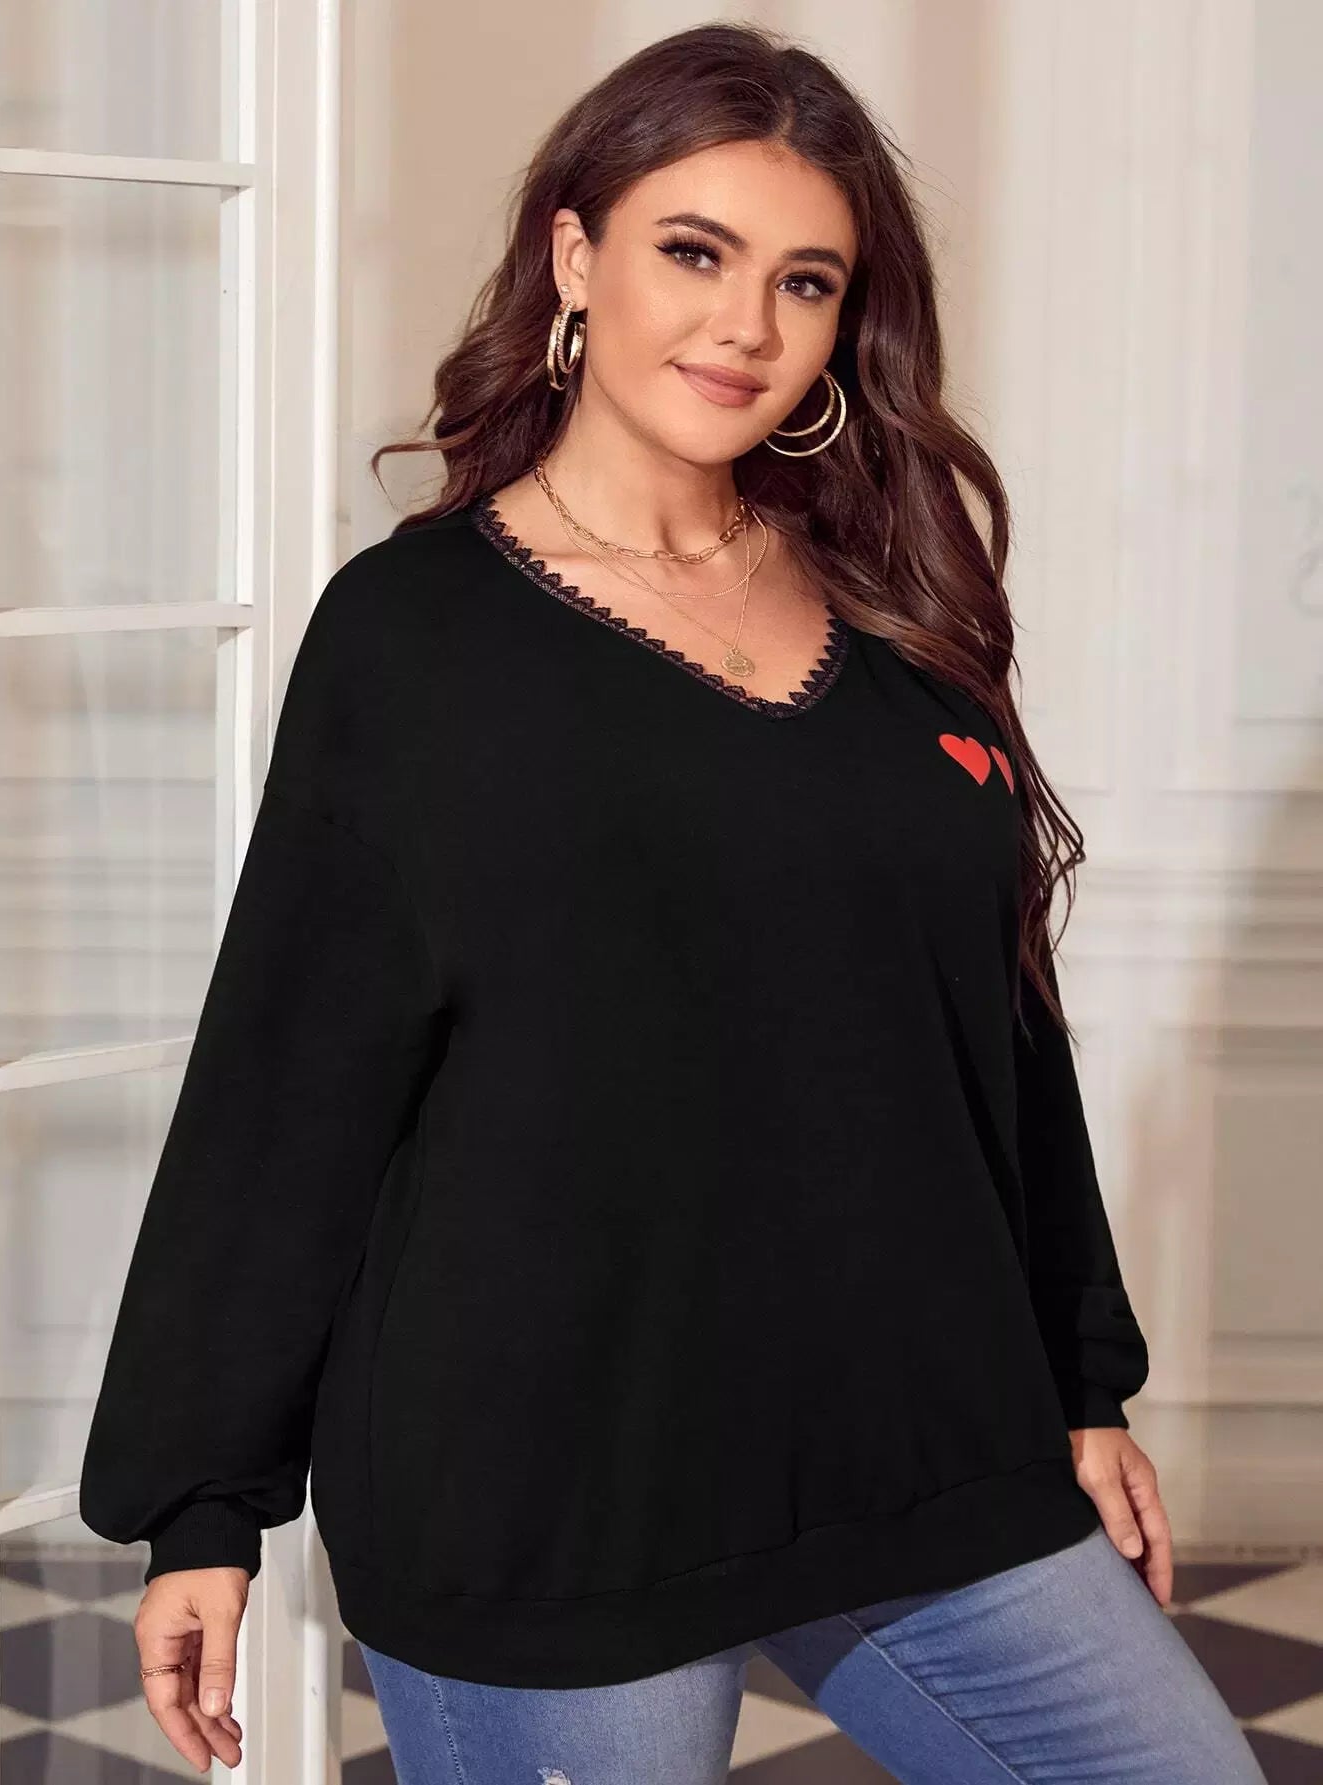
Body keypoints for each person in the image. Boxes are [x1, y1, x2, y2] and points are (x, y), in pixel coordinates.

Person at [78, 21, 1267, 1785]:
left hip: (912, 1433)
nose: (746, 326)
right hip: (557, 1488)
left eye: (805, 281)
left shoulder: (893, 612)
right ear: (575, 256)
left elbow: (997, 1029)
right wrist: (204, 1505)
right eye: (694, 253)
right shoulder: (414, 640)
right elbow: (290, 1078)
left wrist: (1081, 1377)